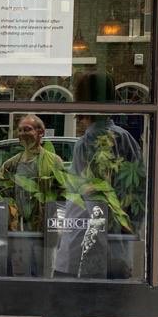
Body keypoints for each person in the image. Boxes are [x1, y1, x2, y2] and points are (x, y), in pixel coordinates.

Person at [53, 71, 145, 279]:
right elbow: (138, 190)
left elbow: (90, 198)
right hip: (116, 242)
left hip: (83, 240)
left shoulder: (86, 143)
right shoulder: (127, 139)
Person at [0, 114, 64, 233]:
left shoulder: (54, 162)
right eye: (20, 130)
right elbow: (0, 190)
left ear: (41, 132)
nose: (23, 133)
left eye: (27, 129)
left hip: (44, 226)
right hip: (18, 225)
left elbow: (62, 194)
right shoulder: (10, 164)